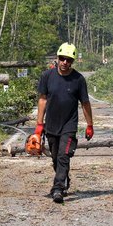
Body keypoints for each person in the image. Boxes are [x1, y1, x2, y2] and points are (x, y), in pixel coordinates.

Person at [35, 43, 94, 203]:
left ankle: (58, 188)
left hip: (69, 125)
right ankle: (64, 178)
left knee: (63, 155)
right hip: (51, 125)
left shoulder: (78, 80)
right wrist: (39, 125)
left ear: (72, 61)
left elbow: (85, 103)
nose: (65, 63)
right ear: (57, 58)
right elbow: (42, 100)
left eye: (69, 60)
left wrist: (89, 125)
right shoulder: (47, 76)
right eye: (62, 59)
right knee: (55, 158)